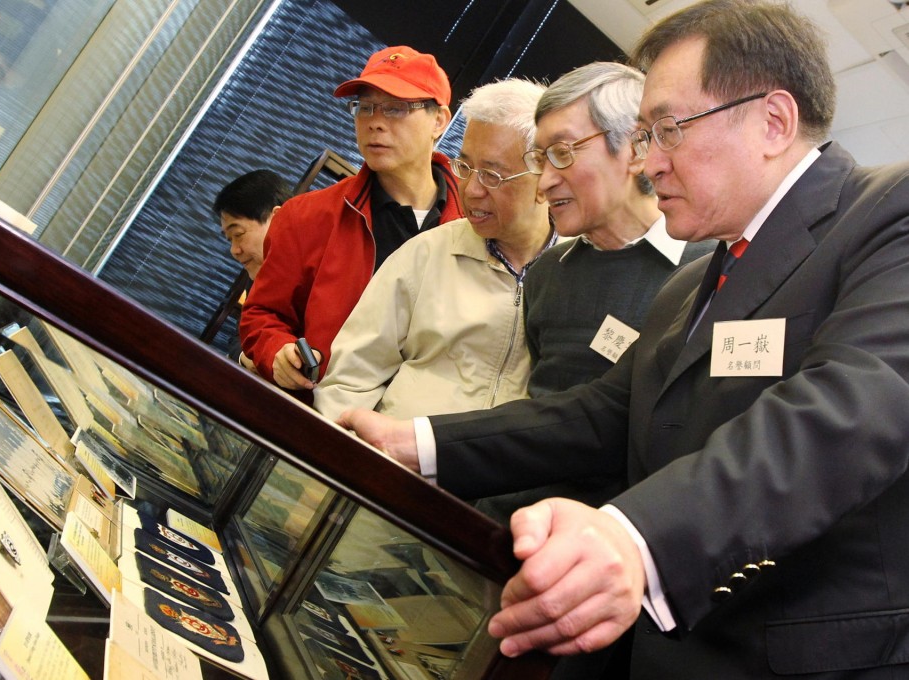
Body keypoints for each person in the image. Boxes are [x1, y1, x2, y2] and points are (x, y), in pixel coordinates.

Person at [338, 0, 909, 677]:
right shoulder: (694, 282)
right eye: (642, 136)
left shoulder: (887, 215)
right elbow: (602, 414)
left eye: (666, 130)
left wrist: (635, 539)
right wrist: (421, 444)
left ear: (773, 121)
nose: (648, 164)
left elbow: (854, 408)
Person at [474, 62, 714, 521]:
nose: (544, 183)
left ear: (636, 148)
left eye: (563, 154)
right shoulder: (546, 274)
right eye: (540, 160)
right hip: (500, 517)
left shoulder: (706, 272)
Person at [314, 78, 555, 421]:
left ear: (545, 179)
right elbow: (350, 381)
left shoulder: (577, 273)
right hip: (390, 461)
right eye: (465, 167)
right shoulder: (426, 255)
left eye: (491, 175)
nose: (470, 190)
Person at [239, 46, 463, 402]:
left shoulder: (476, 224)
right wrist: (277, 351)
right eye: (365, 107)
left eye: (395, 108)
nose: (375, 121)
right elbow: (262, 314)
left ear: (439, 120)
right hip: (322, 415)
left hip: (422, 433)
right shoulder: (306, 216)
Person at [211, 169, 292, 369]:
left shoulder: (323, 271)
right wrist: (248, 357)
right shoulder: (258, 276)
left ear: (278, 218)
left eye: (238, 234)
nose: (234, 250)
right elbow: (241, 336)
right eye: (229, 239)